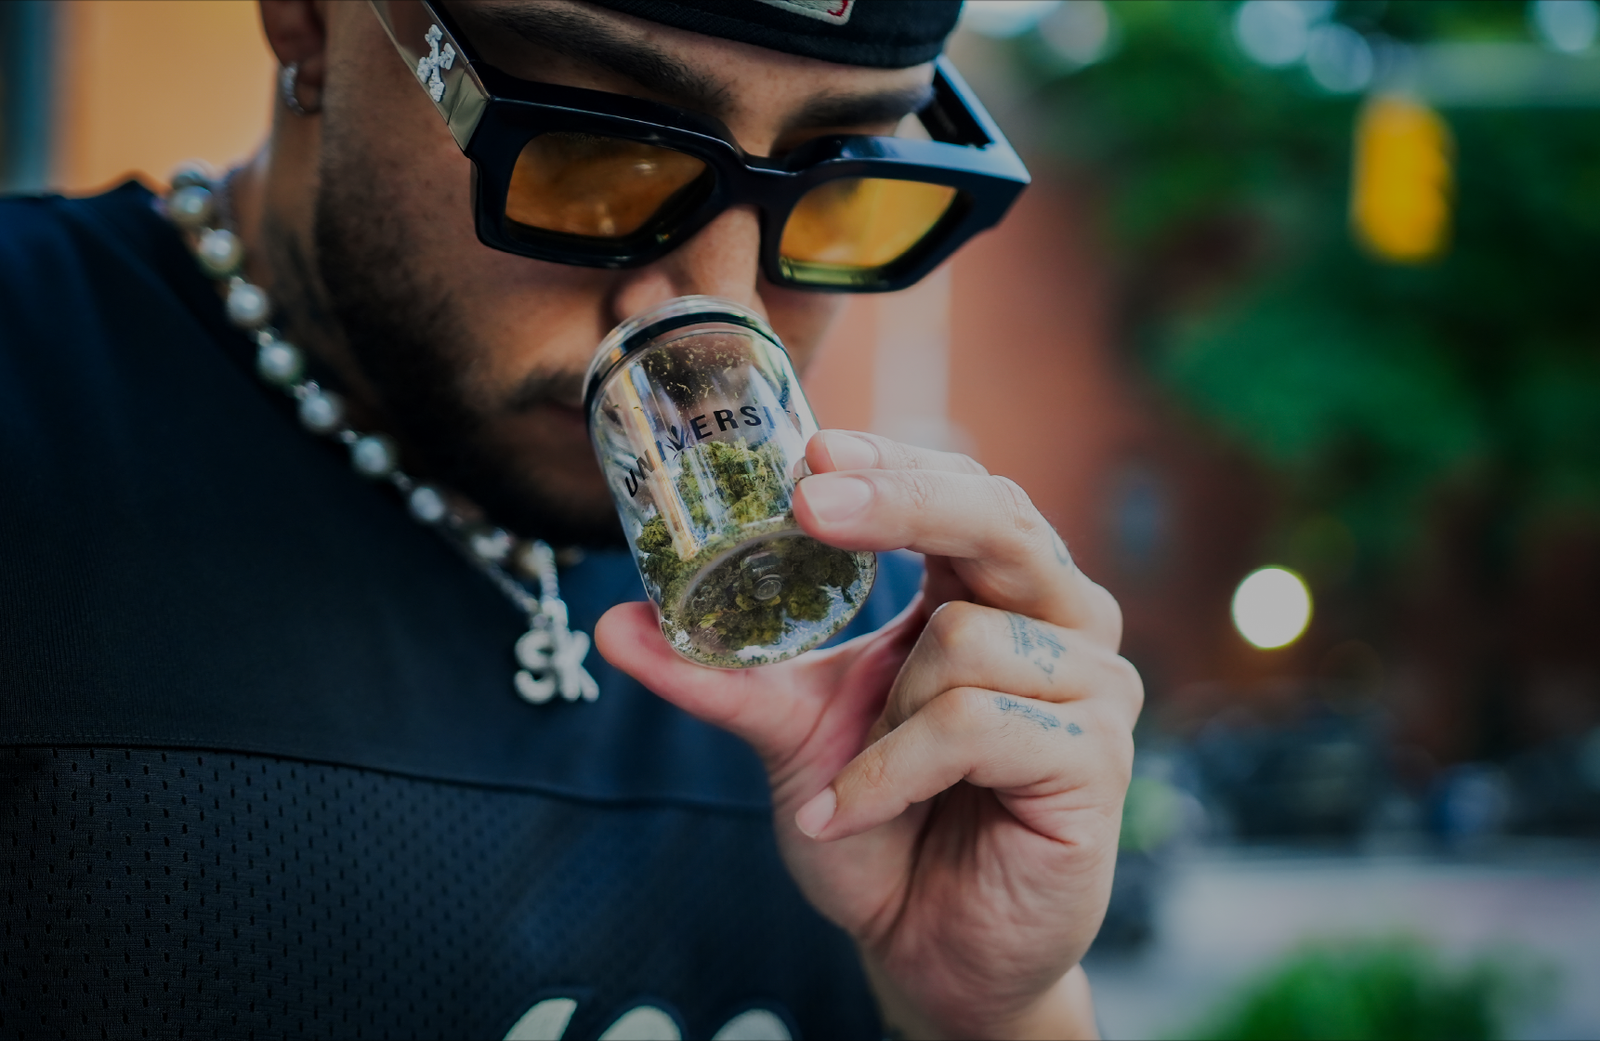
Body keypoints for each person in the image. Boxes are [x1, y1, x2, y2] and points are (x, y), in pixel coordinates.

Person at [0, 1, 1141, 1037]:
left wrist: (990, 1008)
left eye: (835, 185)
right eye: (595, 152)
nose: (717, 305)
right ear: (311, 18)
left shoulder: (873, 649)